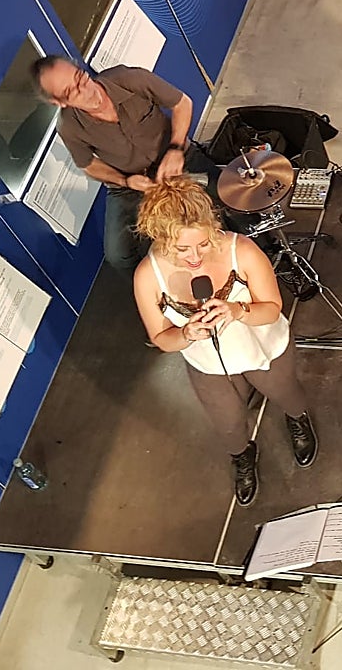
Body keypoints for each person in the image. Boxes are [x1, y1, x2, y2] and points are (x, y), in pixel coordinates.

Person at [133, 175, 317, 507]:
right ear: (160, 237)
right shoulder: (148, 276)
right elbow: (161, 339)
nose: (195, 257)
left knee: (287, 394)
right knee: (228, 423)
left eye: (203, 244)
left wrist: (237, 310)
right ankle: (242, 455)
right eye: (182, 249)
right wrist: (186, 334)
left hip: (263, 347)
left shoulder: (241, 250)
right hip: (208, 364)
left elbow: (272, 309)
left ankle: (297, 419)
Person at [33, 55, 209, 270]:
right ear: (59, 102)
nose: (86, 89)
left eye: (80, 77)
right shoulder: (68, 127)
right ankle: (156, 285)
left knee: (226, 192)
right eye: (73, 91)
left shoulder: (129, 79)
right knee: (117, 254)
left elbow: (182, 103)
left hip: (174, 155)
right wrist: (124, 180)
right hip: (129, 183)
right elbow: (88, 165)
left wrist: (176, 148)